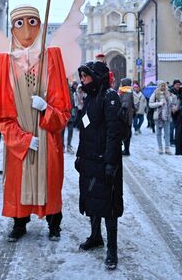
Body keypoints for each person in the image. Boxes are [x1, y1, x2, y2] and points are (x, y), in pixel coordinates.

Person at [0, 5, 71, 242]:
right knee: (17, 182)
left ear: (41, 26)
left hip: (47, 136)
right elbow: (2, 115)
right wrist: (22, 139)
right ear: (12, 28)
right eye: (19, 23)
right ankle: (19, 222)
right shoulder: (4, 62)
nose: (26, 31)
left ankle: (55, 223)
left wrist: (47, 110)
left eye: (32, 22)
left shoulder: (51, 58)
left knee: (50, 181)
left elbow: (63, 112)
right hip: (20, 139)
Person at [75, 61, 124, 270]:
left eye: (85, 76)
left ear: (96, 77)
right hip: (89, 159)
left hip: (105, 160)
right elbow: (85, 129)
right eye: (82, 77)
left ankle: (112, 249)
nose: (82, 80)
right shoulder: (91, 97)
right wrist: (80, 156)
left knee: (109, 204)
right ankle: (96, 236)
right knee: (92, 198)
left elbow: (114, 132)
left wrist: (111, 162)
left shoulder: (109, 97)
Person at [149, 80, 175, 154]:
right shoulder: (155, 93)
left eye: (164, 85)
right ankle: (160, 148)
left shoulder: (168, 93)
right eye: (161, 85)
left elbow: (172, 102)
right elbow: (150, 104)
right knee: (158, 133)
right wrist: (159, 103)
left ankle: (167, 148)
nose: (163, 87)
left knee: (167, 133)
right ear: (159, 86)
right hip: (158, 116)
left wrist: (169, 98)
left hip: (167, 115)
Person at [118, 78, 134, 156]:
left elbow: (125, 104)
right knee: (127, 133)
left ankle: (126, 150)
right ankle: (126, 149)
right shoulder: (128, 91)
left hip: (125, 117)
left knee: (125, 133)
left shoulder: (126, 91)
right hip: (128, 117)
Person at [64, 81, 78, 154]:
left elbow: (74, 103)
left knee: (70, 130)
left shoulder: (72, 92)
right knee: (62, 131)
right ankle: (63, 146)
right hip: (64, 113)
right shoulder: (62, 91)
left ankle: (68, 145)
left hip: (70, 114)